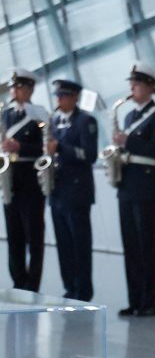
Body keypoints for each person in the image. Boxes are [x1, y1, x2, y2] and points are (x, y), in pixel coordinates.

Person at [115, 62, 155, 318]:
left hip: (149, 188)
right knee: (131, 247)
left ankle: (149, 301)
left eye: (137, 83)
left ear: (150, 86)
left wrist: (129, 141)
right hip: (127, 187)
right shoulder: (129, 117)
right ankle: (134, 298)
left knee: (148, 246)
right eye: (131, 83)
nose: (132, 87)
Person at [45, 79, 98, 301]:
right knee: (64, 244)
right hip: (57, 191)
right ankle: (69, 286)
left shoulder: (86, 121)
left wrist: (61, 148)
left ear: (75, 97)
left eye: (63, 96)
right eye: (57, 96)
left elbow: (89, 155)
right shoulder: (55, 122)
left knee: (79, 243)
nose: (59, 100)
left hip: (77, 192)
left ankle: (83, 290)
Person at [1, 69, 48, 292]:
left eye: (19, 87)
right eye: (13, 87)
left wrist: (20, 147)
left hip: (31, 178)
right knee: (14, 234)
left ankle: (32, 283)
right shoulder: (6, 115)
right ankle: (18, 280)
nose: (14, 91)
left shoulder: (39, 115)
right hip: (10, 178)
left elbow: (45, 147)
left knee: (34, 235)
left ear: (30, 89)